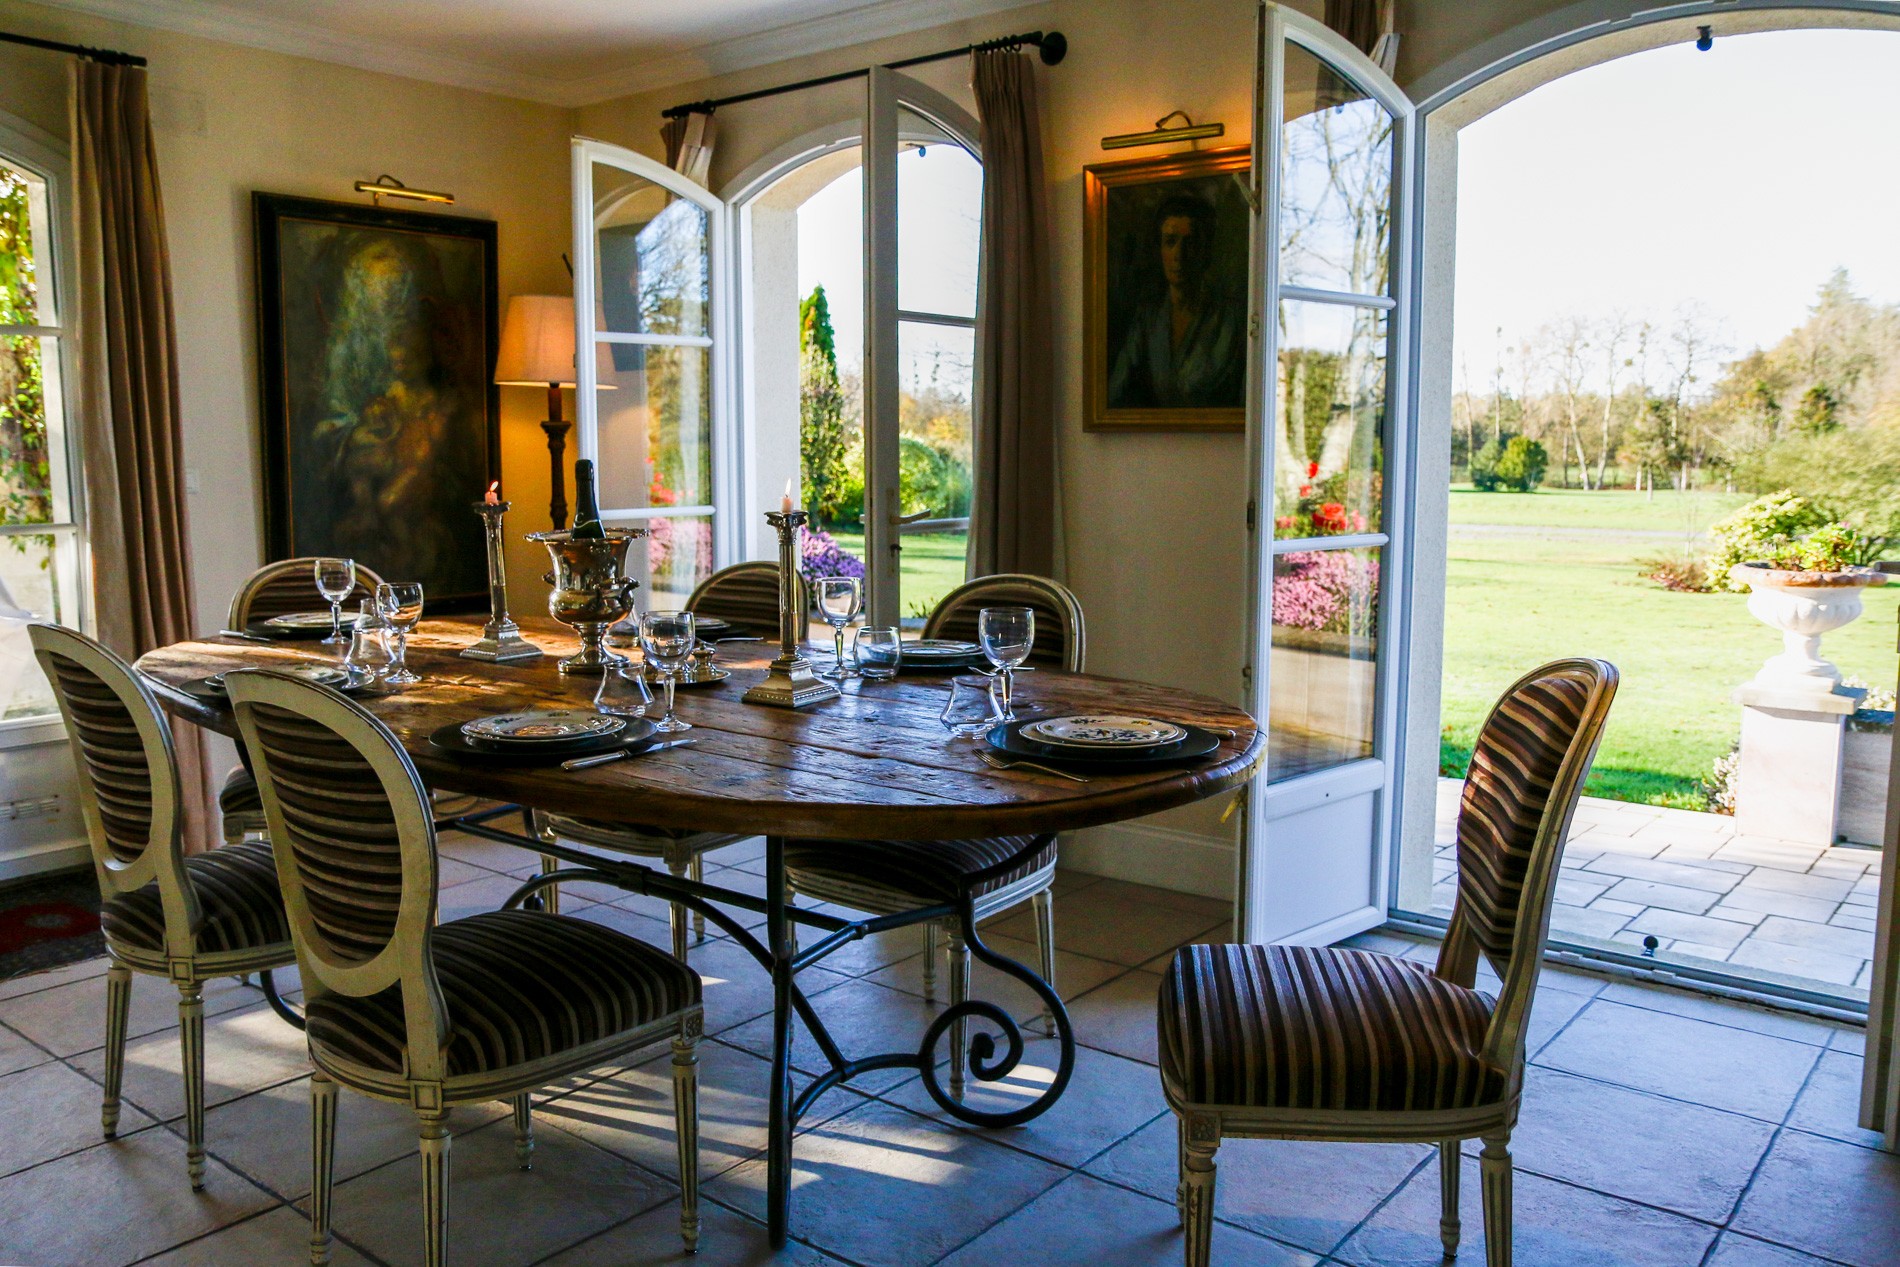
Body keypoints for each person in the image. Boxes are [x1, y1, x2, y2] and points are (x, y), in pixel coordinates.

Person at [1108, 191, 1246, 409]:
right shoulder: (1149, 318)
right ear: (1160, 249)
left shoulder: (1231, 319)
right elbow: (1116, 391)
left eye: (1190, 243)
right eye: (1170, 242)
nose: (1178, 254)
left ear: (1205, 250)